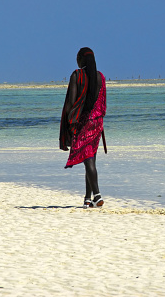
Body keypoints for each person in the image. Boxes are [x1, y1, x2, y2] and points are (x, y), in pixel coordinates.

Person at [60, 47, 107, 208]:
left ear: (81, 59)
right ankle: (88, 198)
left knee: (88, 160)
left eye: (77, 58)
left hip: (83, 123)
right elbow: (102, 104)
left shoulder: (77, 75)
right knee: (91, 158)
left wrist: (69, 124)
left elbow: (71, 103)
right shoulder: (101, 77)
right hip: (97, 122)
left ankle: (98, 194)